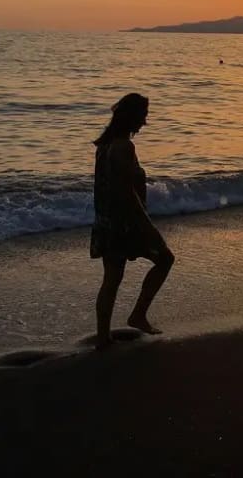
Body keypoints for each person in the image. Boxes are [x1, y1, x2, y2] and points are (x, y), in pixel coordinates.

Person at [92, 93, 175, 349]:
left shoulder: (104, 146)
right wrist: (145, 223)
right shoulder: (123, 147)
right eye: (143, 115)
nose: (145, 121)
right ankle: (138, 314)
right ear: (132, 117)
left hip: (106, 221)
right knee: (165, 259)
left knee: (111, 280)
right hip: (126, 222)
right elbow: (126, 191)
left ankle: (103, 338)